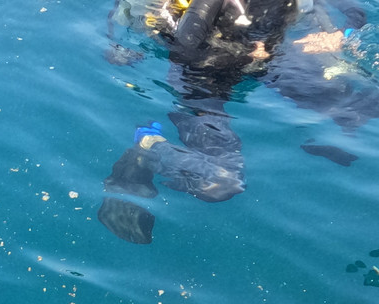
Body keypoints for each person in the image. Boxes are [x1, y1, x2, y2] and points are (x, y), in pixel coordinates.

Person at [99, 0, 378, 243]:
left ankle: (329, 144)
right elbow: (183, 51)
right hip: (202, 77)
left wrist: (343, 34)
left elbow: (353, 8)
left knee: (363, 104)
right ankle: (150, 145)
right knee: (223, 180)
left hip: (265, 57)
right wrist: (247, 54)